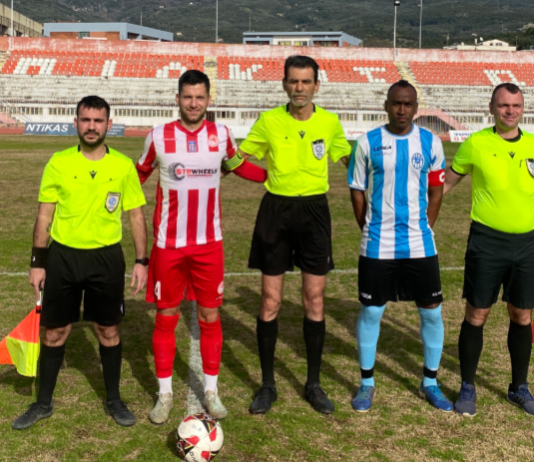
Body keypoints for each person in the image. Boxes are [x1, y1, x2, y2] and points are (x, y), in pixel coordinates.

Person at [136, 70, 267, 423]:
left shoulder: (221, 135)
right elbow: (138, 175)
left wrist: (274, 177)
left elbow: (239, 166)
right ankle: (164, 395)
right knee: (166, 316)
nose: (193, 103)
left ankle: (211, 391)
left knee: (210, 316)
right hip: (169, 245)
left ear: (209, 100)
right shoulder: (158, 136)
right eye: (187, 97)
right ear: (177, 99)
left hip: (209, 244)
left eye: (199, 97)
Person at [12, 96, 148, 430]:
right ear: (75, 123)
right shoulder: (59, 162)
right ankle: (43, 403)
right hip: (63, 257)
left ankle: (114, 399)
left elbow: (135, 215)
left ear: (108, 124)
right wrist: (37, 262)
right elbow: (45, 215)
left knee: (108, 329)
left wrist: (141, 260)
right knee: (55, 331)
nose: (91, 126)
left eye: (98, 121)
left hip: (106, 258)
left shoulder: (123, 166)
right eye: (85, 120)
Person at [238, 55, 352, 415]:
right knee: (270, 301)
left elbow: (349, 160)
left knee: (314, 300)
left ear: (316, 85)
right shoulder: (269, 121)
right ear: (284, 83)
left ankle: (313, 384)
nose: (299, 88)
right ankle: (267, 385)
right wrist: (264, 177)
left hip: (315, 212)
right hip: (276, 211)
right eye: (293, 81)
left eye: (306, 81)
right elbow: (238, 158)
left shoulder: (330, 122)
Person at [348, 80, 453, 413]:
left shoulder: (430, 142)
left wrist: (425, 227)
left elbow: (436, 191)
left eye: (408, 104)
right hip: (378, 244)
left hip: (420, 244)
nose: (402, 109)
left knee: (431, 312)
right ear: (386, 106)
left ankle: (430, 382)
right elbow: (357, 190)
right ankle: (366, 383)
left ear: (416, 107)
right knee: (371, 311)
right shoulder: (366, 143)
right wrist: (368, 228)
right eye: (396, 103)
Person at [444, 82, 534, 417]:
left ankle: (519, 387)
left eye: (516, 105)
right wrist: (420, 212)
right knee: (477, 313)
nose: (510, 111)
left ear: (523, 109)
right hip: (487, 242)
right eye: (504, 105)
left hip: (528, 243)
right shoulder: (476, 143)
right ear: (492, 108)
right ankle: (467, 386)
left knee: (522, 314)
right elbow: (447, 183)